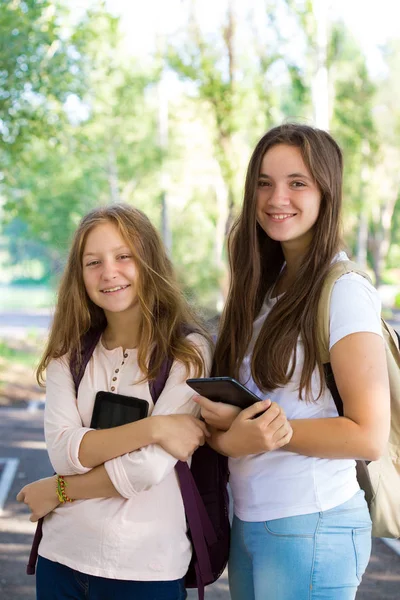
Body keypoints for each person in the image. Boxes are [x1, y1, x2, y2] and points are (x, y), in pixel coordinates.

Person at [195, 123, 390, 600]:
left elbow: (368, 433)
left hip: (312, 523)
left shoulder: (343, 291)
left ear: (327, 190)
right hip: (252, 521)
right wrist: (231, 435)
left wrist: (259, 431)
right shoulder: (267, 288)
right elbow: (245, 423)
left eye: (297, 182)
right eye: (264, 182)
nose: (276, 196)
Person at [17, 204, 212, 600]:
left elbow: (146, 468)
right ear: (80, 275)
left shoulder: (187, 352)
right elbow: (63, 453)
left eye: (124, 256)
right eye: (94, 262)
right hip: (62, 560)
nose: (109, 272)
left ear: (149, 262)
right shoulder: (67, 355)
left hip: (146, 568)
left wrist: (58, 492)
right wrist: (154, 427)